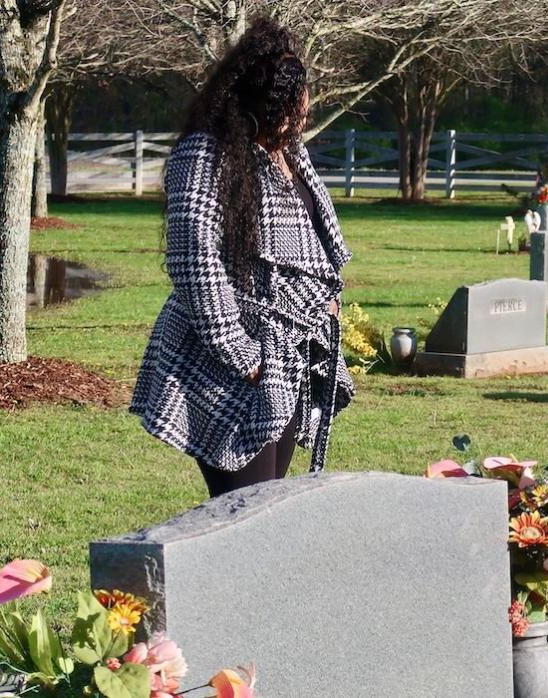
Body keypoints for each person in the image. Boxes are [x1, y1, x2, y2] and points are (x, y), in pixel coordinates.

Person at [131, 18, 354, 498]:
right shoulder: (205, 155)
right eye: (298, 101)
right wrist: (242, 355)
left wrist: (326, 304)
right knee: (239, 513)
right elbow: (195, 265)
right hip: (229, 365)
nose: (306, 109)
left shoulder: (289, 152)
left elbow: (310, 236)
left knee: (267, 507)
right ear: (273, 107)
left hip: (291, 357)